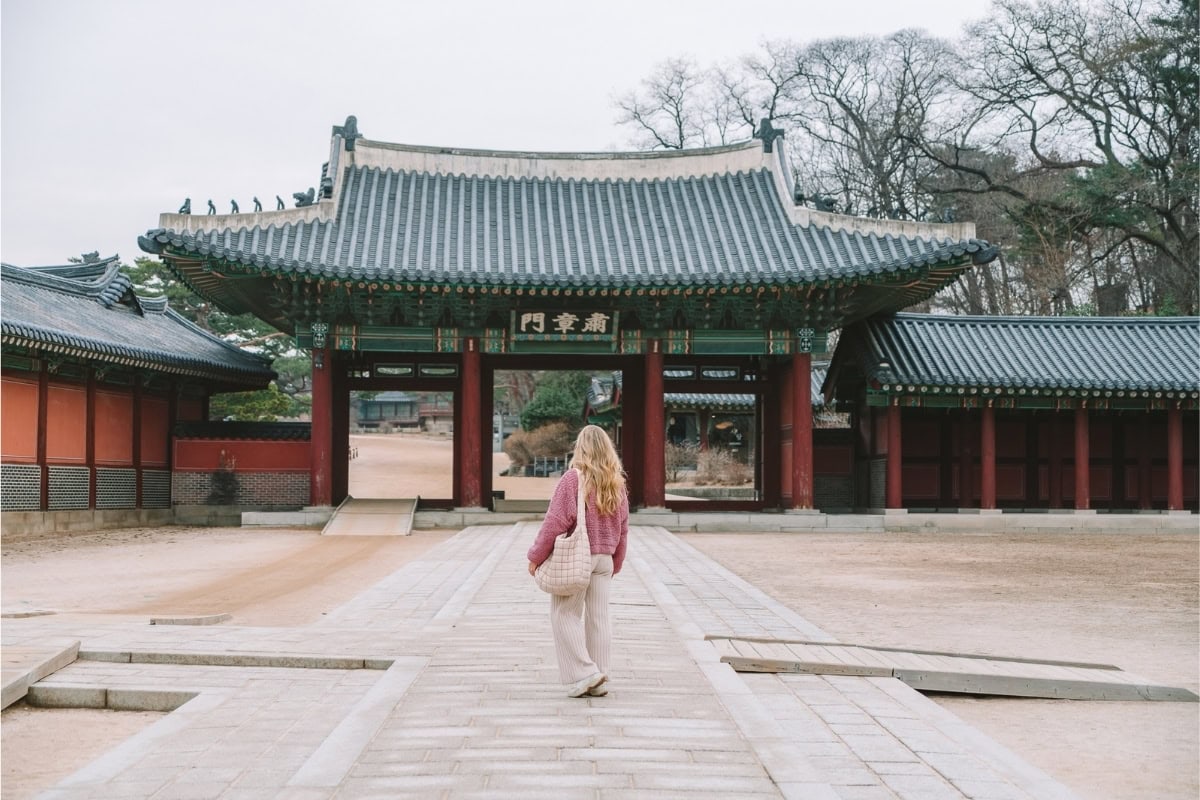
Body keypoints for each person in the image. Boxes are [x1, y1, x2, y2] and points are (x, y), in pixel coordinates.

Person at [527, 425, 629, 698]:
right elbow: (624, 526)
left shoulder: (573, 479)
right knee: (599, 618)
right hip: (604, 559)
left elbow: (555, 522)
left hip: (578, 557)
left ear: (580, 447)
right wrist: (616, 561)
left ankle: (585, 673)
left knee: (564, 614)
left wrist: (535, 556)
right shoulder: (616, 482)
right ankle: (600, 676)